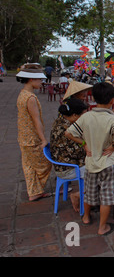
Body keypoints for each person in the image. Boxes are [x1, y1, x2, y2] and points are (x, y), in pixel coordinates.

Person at [65, 82, 114, 236]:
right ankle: (102, 227)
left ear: (93, 97)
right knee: (106, 197)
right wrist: (113, 146)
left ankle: (86, 217)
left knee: (89, 192)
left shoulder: (86, 116)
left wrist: (85, 144)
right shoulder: (112, 119)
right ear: (112, 100)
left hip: (91, 163)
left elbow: (68, 133)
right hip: (108, 163)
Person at [16, 64, 53, 201]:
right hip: (31, 137)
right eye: (39, 80)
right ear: (31, 80)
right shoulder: (30, 98)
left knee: (29, 165)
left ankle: (34, 192)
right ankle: (35, 190)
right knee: (45, 163)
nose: (41, 82)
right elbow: (36, 120)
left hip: (23, 136)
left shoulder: (22, 94)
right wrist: (43, 139)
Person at [50, 98, 89, 212]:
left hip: (63, 163)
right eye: (83, 116)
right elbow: (80, 151)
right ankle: (77, 195)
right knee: (101, 171)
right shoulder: (68, 130)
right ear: (74, 115)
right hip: (68, 169)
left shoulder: (61, 120)